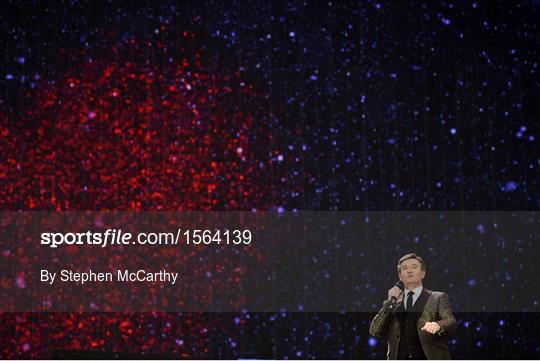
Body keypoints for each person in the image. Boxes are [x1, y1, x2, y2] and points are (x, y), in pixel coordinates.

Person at [369, 253, 457, 359]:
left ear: (423, 273)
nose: (409, 271)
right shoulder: (393, 302)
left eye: (414, 267)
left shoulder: (437, 297)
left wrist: (437, 325)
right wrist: (389, 303)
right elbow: (375, 330)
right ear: (400, 276)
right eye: (405, 268)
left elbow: (451, 321)